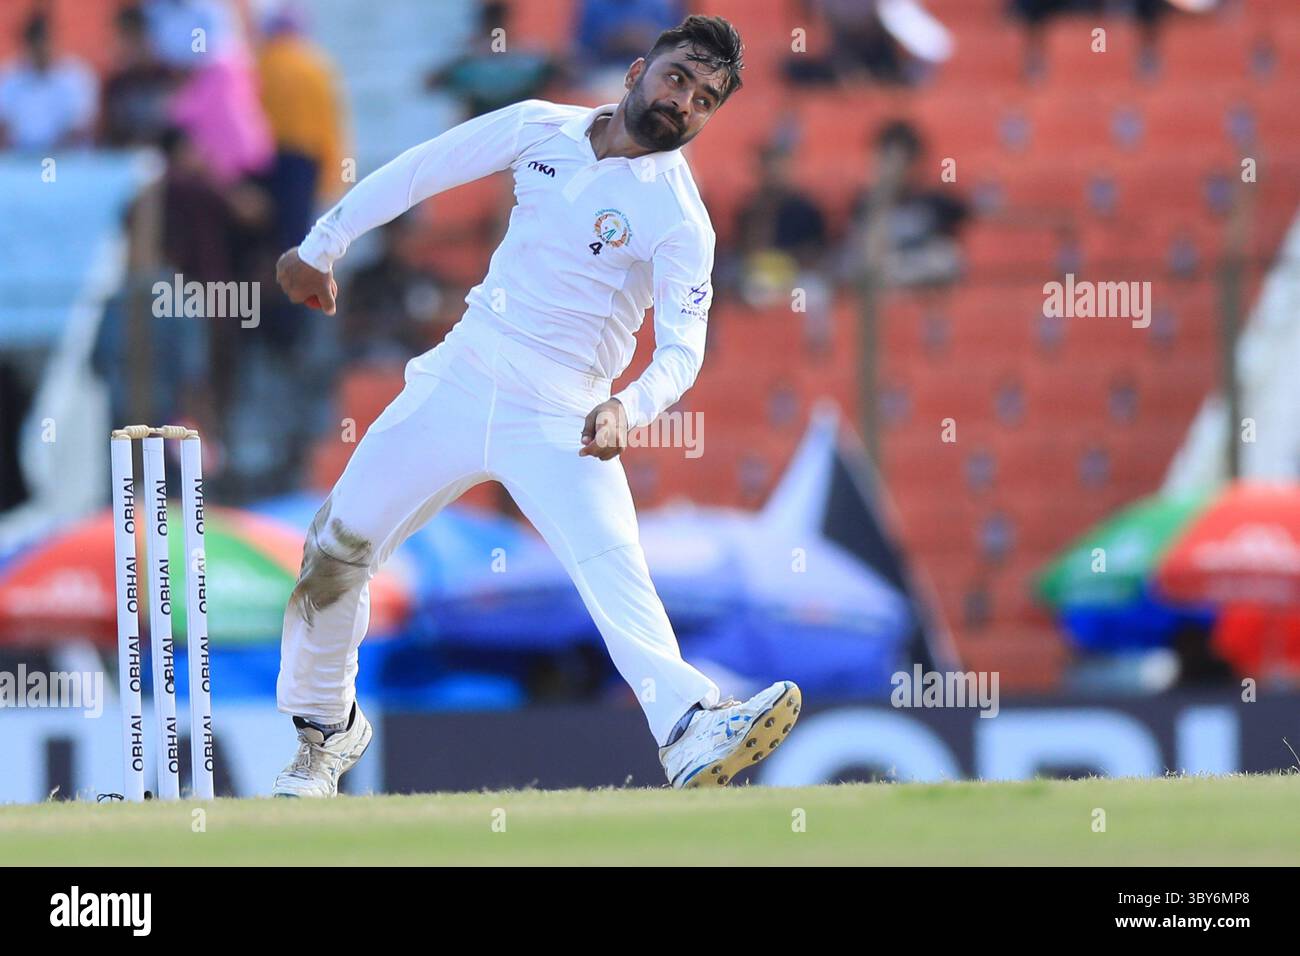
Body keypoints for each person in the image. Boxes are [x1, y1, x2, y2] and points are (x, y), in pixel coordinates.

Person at [272, 15, 801, 796]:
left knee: (612, 571)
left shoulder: (680, 220)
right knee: (334, 551)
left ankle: (690, 726)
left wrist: (631, 407)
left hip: (566, 411)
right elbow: (426, 168)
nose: (684, 102)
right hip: (464, 370)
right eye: (678, 79)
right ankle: (324, 735)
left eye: (705, 99)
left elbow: (683, 350)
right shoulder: (539, 127)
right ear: (634, 72)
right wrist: (323, 244)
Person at [0, 12, 98, 151]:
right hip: (21, 163)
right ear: (27, 45)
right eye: (36, 45)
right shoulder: (10, 79)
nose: (41, 50)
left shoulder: (77, 76)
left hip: (68, 162)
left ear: (53, 41)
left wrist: (49, 156)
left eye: (44, 43)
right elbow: (4, 127)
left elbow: (81, 128)